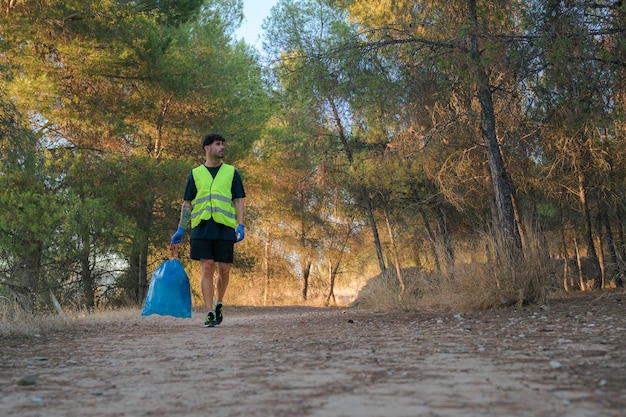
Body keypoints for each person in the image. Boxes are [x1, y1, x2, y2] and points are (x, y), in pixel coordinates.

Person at [171, 133, 246, 328]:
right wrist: (180, 229)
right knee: (207, 267)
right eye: (218, 144)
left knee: (224, 269)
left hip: (224, 227)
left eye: (223, 144)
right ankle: (209, 313)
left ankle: (218, 302)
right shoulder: (195, 174)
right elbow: (187, 203)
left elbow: (238, 200)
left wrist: (240, 224)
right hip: (202, 227)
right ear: (207, 148)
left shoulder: (231, 172)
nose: (222, 147)